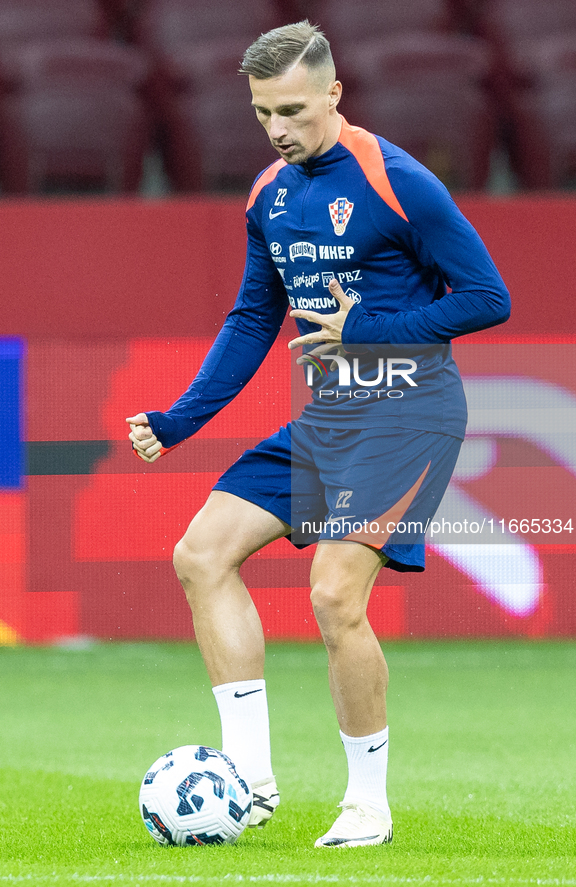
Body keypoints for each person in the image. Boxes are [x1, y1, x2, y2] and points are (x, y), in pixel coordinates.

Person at [127, 21, 510, 848]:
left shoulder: (397, 179)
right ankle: (248, 779)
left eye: (294, 110)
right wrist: (180, 419)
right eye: (264, 111)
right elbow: (251, 318)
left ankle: (367, 803)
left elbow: (486, 297)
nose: (277, 128)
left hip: (409, 412)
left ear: (334, 95)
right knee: (200, 554)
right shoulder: (268, 192)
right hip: (332, 413)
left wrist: (366, 329)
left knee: (335, 596)